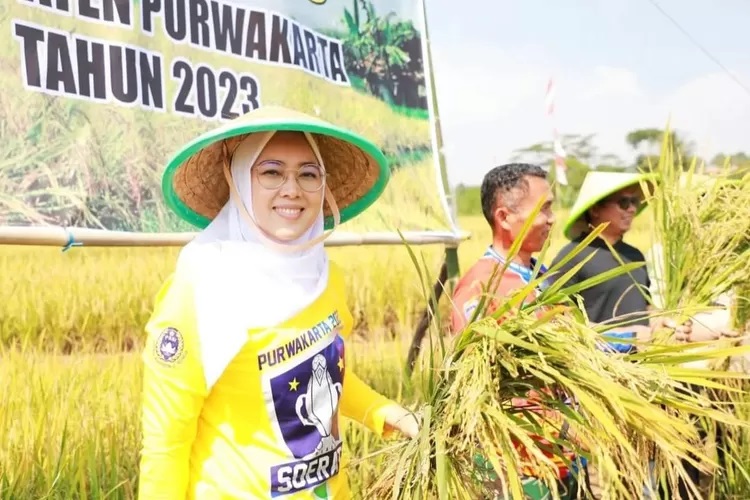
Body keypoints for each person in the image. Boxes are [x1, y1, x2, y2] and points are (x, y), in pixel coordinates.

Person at [137, 105, 419, 499]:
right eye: (271, 172)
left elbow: (325, 376)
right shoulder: (201, 289)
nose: (292, 189)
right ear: (238, 181)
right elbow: (165, 444)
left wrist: (383, 412)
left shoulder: (326, 278)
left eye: (308, 174)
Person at [450, 163, 584, 500]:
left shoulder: (543, 276)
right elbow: (474, 384)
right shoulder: (482, 286)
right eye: (545, 208)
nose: (552, 218)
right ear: (504, 217)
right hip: (518, 468)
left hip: (562, 456)